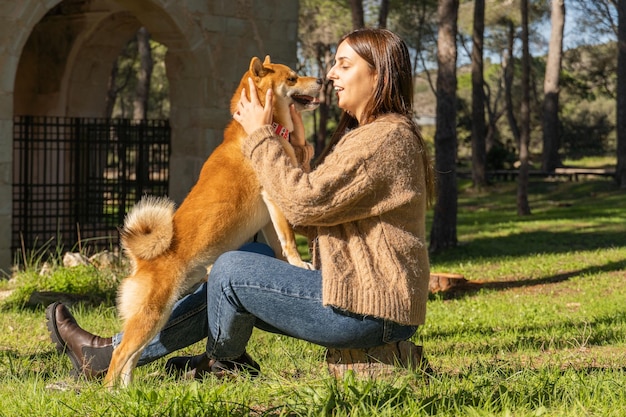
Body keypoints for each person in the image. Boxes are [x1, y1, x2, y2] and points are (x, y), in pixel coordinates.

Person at [45, 27, 435, 380]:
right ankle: (130, 354)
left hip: (369, 311)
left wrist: (261, 136)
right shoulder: (373, 135)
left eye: (343, 65)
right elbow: (311, 212)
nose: (330, 74)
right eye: (334, 64)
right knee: (247, 254)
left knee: (232, 267)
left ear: (379, 75)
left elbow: (303, 205)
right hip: (357, 298)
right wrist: (296, 150)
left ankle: (219, 362)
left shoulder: (383, 140)